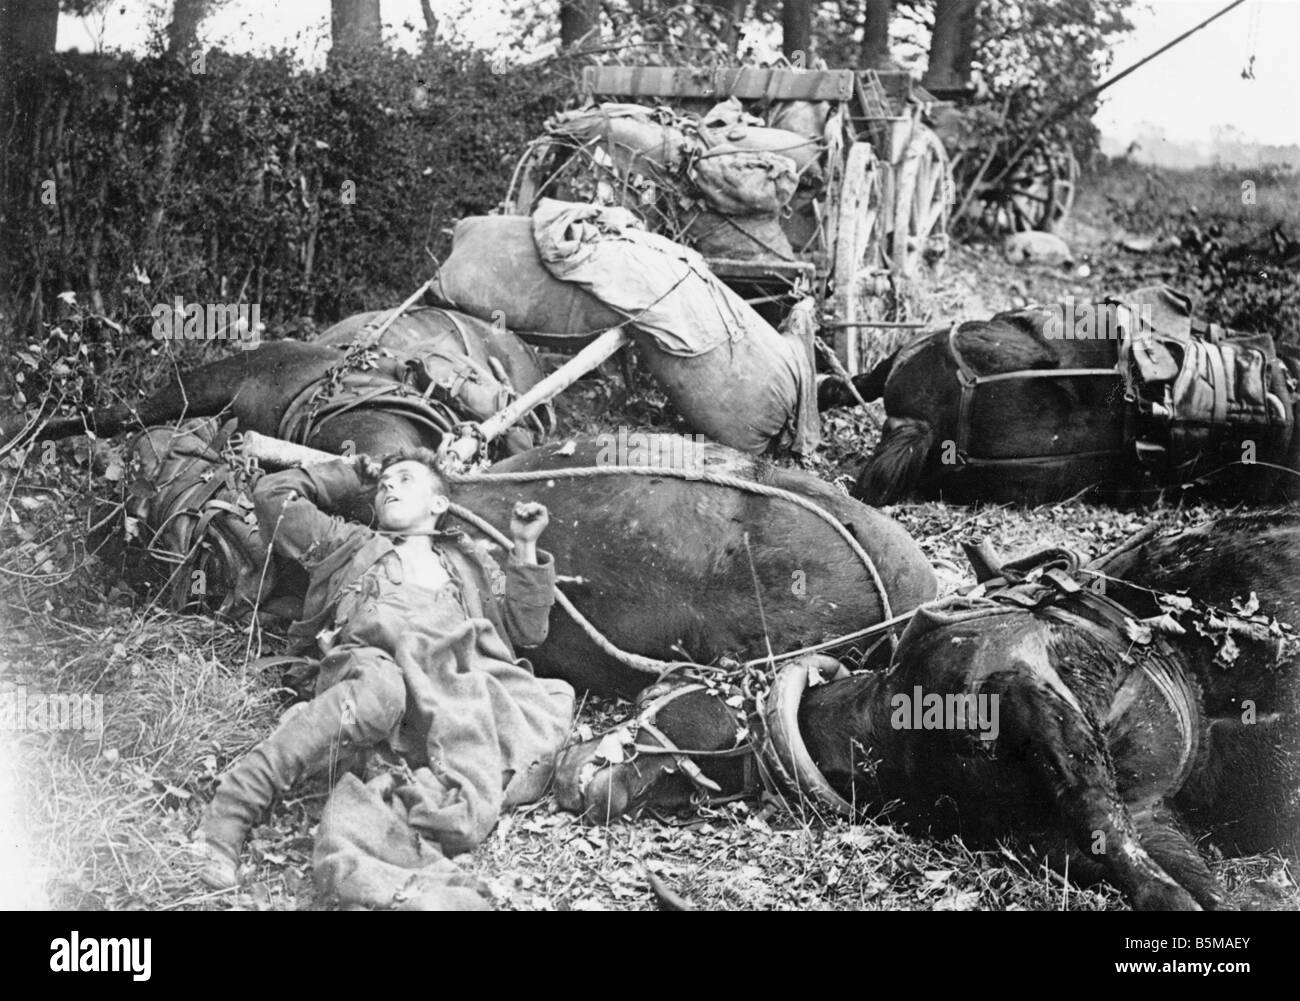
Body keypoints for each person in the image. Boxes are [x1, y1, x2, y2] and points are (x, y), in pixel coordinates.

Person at [195, 446, 575, 891]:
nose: (390, 485)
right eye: (385, 483)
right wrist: (351, 471)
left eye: (407, 478)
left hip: (452, 688)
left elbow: (527, 631)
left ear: (439, 504)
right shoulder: (349, 544)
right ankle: (230, 814)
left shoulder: (468, 561)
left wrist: (525, 546)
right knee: (379, 694)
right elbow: (273, 495)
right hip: (377, 666)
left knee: (492, 762)